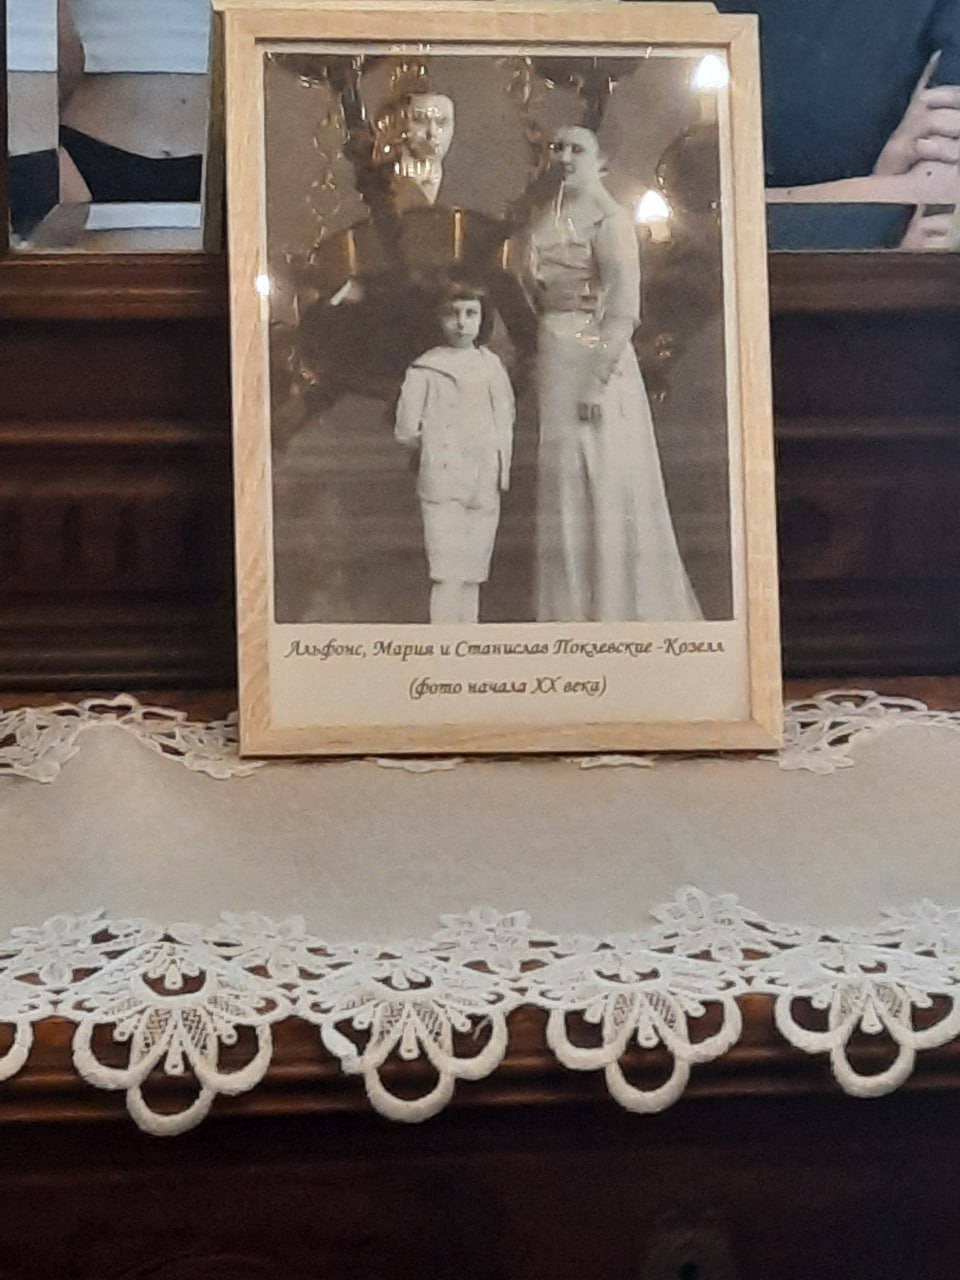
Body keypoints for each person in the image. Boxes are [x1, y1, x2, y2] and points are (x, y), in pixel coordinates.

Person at [523, 126, 701, 623]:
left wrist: (595, 381)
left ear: (600, 161)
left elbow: (623, 311)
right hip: (555, 356)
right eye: (557, 148)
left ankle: (613, 610)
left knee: (603, 475)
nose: (564, 157)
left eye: (576, 149)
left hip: (595, 359)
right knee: (562, 480)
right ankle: (565, 614)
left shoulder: (611, 221)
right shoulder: (547, 217)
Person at [395, 278, 515, 624]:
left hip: (485, 479)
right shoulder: (426, 369)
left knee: (474, 572)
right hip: (444, 479)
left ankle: (468, 639)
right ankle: (444, 640)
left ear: (482, 317)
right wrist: (434, 449)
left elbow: (505, 415)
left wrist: (498, 466)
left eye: (470, 313)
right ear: (437, 318)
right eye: (452, 314)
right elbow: (406, 429)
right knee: (446, 570)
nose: (461, 323)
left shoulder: (492, 366)